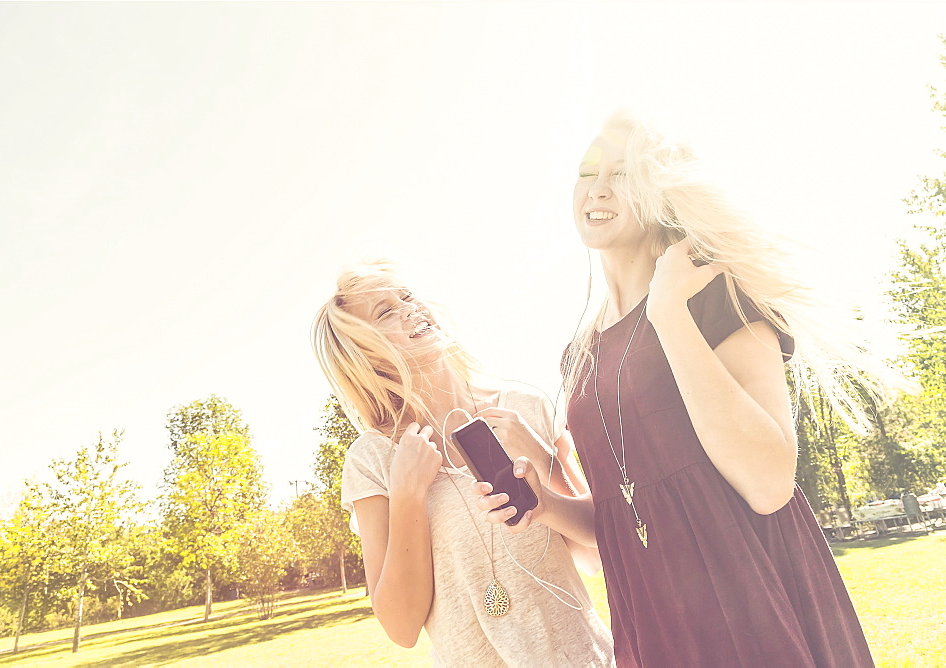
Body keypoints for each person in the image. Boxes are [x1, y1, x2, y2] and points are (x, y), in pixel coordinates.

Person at [475, 110, 895, 667]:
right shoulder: (577, 355)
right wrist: (548, 505)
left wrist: (668, 313)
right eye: (587, 172)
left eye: (622, 175)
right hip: (655, 620)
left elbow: (769, 483)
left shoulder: (716, 297)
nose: (597, 189)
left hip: (755, 606)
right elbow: (628, 520)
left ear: (661, 192)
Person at [311, 259, 614, 667]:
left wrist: (541, 458)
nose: (409, 308)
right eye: (386, 311)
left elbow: (598, 549)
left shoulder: (527, 408)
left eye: (407, 296)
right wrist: (407, 494)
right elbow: (400, 628)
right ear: (364, 354)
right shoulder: (373, 458)